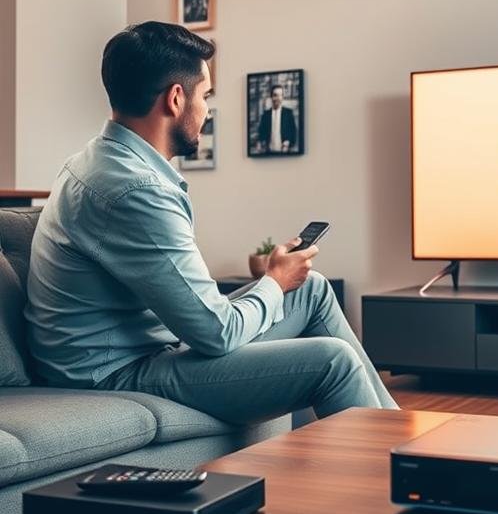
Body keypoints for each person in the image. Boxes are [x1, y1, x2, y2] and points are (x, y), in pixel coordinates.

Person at [25, 21, 397, 424]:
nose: (206, 111)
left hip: (145, 349)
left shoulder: (97, 160)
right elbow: (217, 333)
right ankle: (398, 458)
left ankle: (401, 438)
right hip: (116, 372)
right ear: (176, 99)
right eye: (205, 96)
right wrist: (274, 282)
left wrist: (280, 283)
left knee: (312, 289)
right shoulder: (135, 190)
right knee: (332, 360)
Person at [257, 84, 298, 153]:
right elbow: (261, 133)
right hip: (269, 153)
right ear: (271, 97)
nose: (278, 98)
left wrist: (287, 143)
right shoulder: (265, 115)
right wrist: (259, 143)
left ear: (282, 97)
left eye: (280, 95)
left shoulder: (288, 113)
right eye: (275, 95)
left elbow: (293, 133)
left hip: (284, 153)